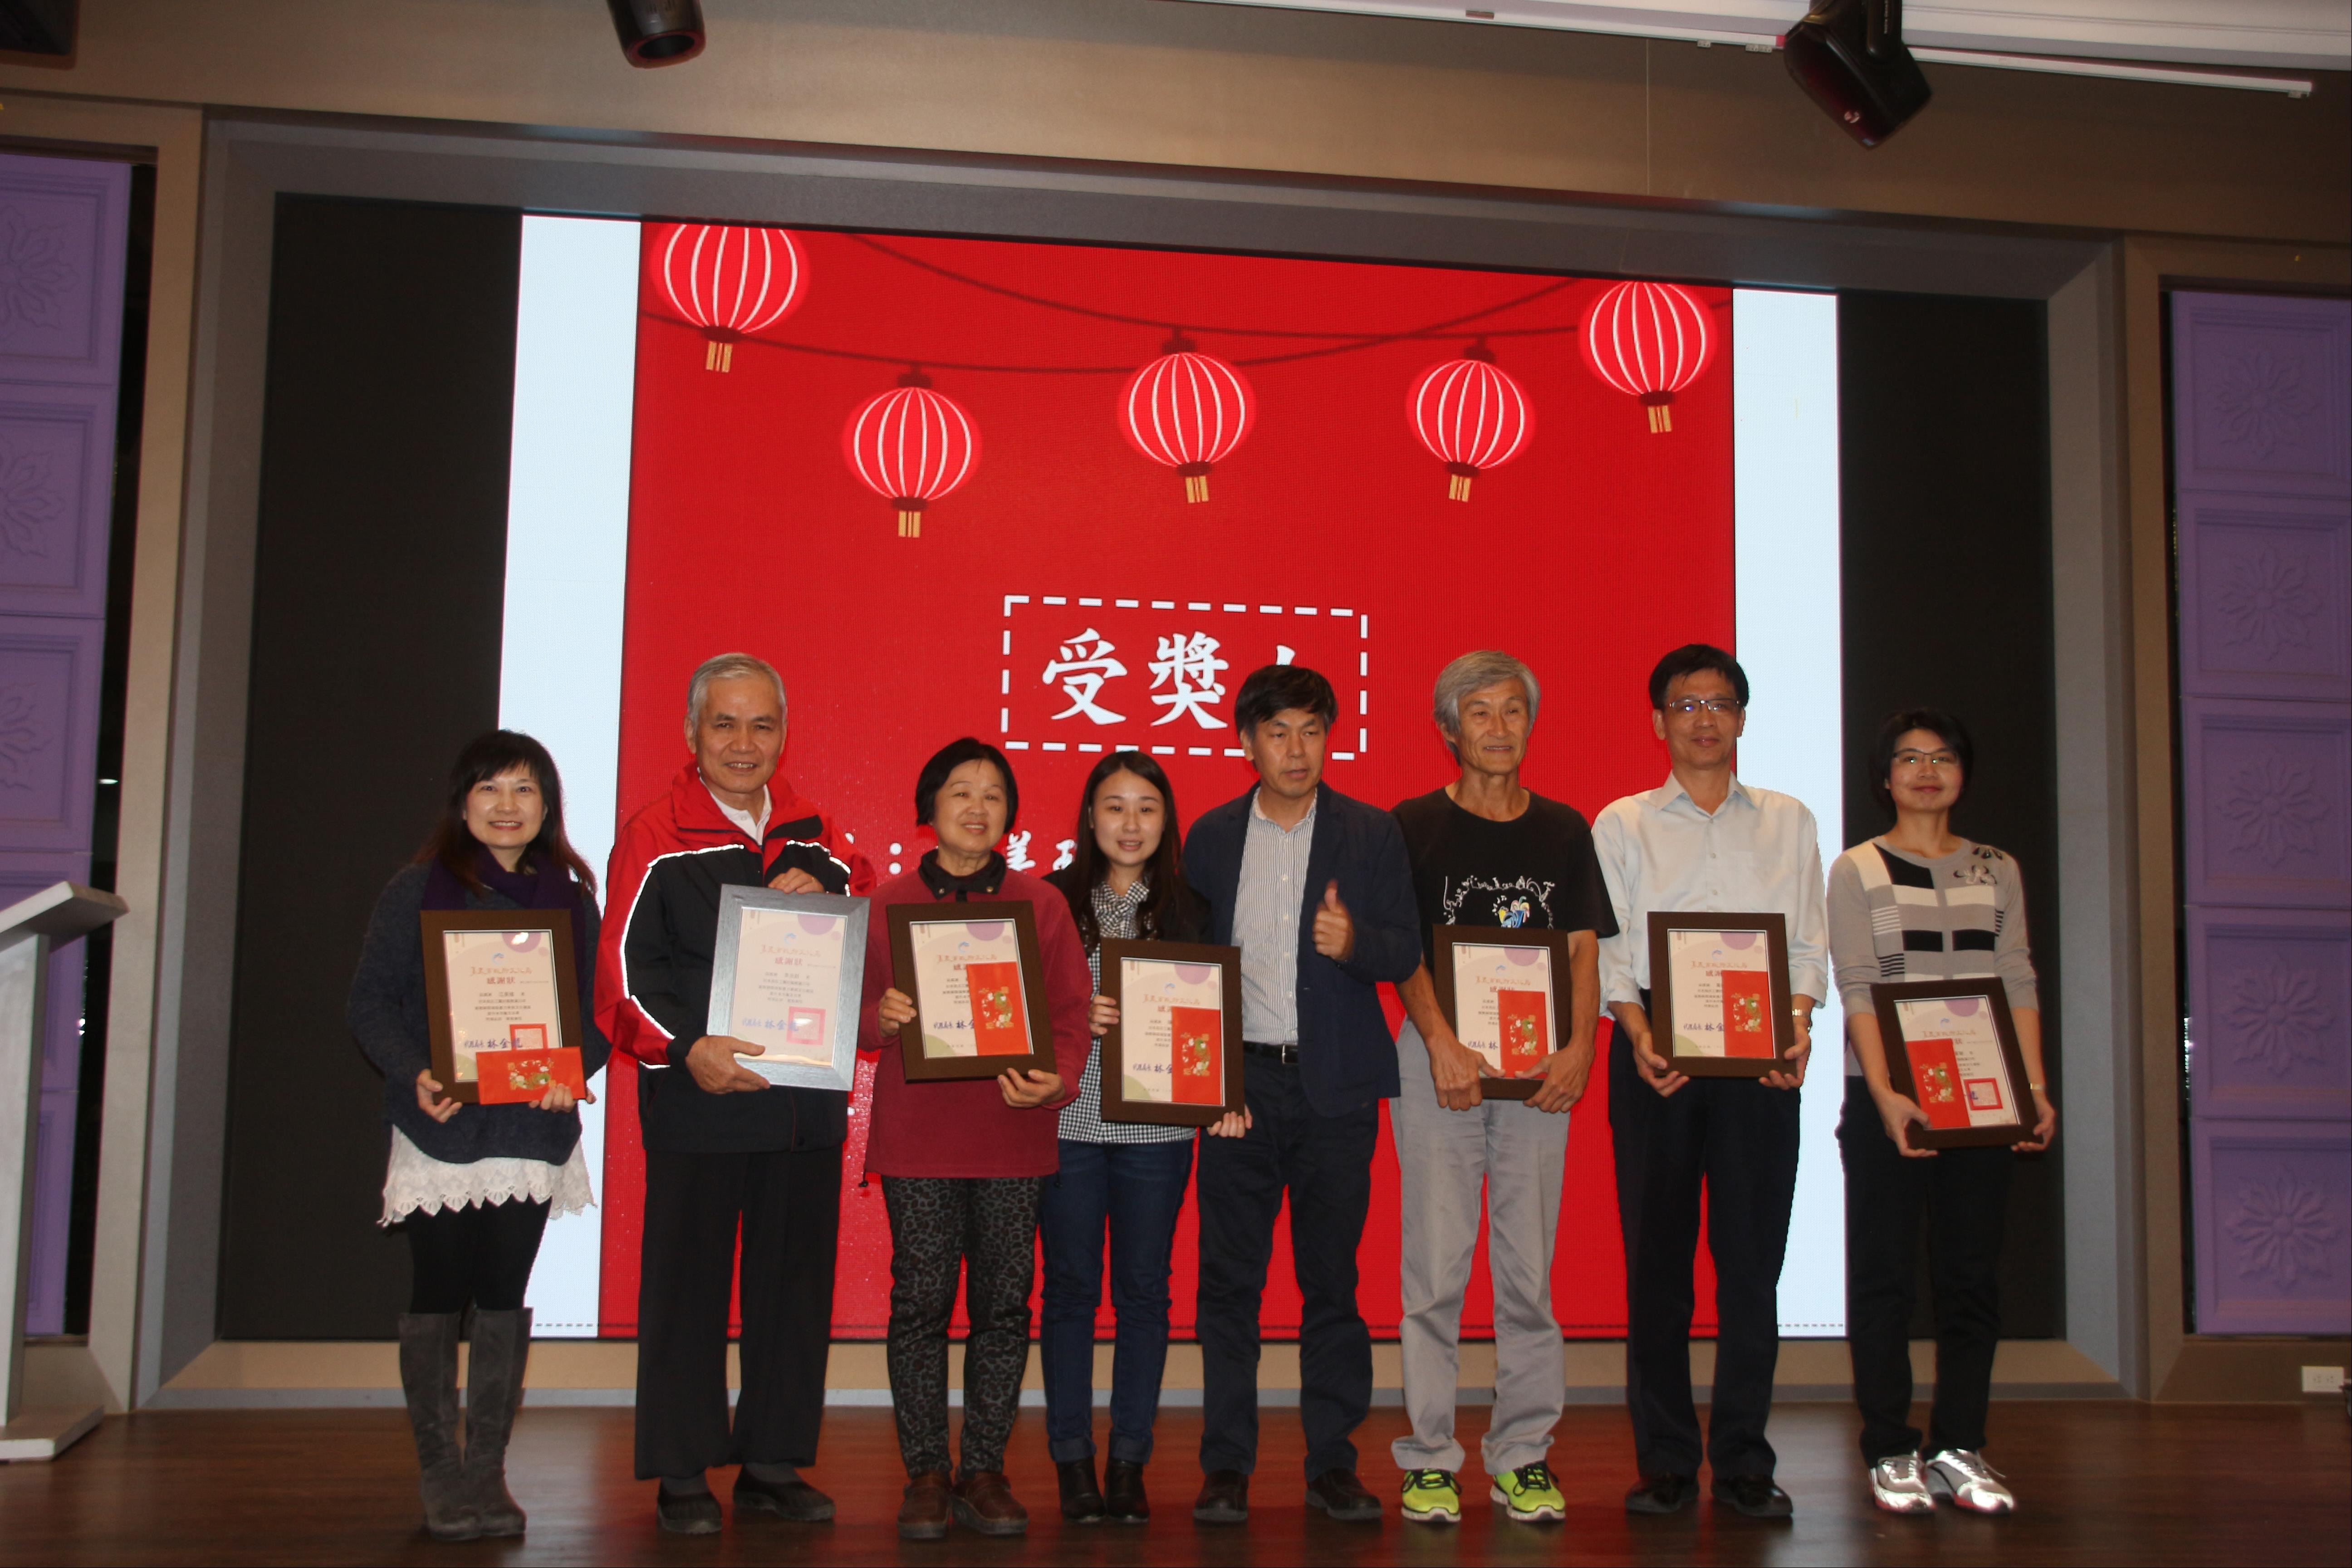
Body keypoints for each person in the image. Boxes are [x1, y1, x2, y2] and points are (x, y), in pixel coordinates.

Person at [597, 652, 873, 1536]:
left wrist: (833, 889)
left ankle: (771, 1464)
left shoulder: (820, 838)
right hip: (701, 1102)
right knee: (687, 1293)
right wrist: (688, 1050)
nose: (744, 743)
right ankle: (682, 1471)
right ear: (692, 733)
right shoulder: (654, 835)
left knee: (794, 1293)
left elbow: (868, 925)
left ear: (783, 733)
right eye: (725, 724)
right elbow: (620, 982)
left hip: (800, 1109)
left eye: (762, 724)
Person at [349, 729, 611, 1542]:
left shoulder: (571, 899)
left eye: (525, 789)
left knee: (503, 1292)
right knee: (440, 1289)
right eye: (490, 788)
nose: (507, 805)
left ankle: (487, 1472)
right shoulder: (416, 890)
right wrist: (414, 1073)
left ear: (548, 806)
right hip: (444, 1126)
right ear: (462, 803)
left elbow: (600, 1012)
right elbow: (370, 1003)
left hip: (530, 1128)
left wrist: (573, 1069)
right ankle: (441, 1471)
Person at [1593, 643, 1828, 1520]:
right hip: (1657, 1047)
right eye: (1686, 705)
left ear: (1742, 719)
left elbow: (1807, 941)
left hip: (1762, 1050)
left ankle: (1743, 1462)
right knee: (1657, 1263)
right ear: (1659, 721)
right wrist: (1639, 1034)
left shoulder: (1789, 819)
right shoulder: (1623, 822)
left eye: (1720, 704)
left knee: (1752, 1266)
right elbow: (1612, 948)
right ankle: (1664, 1460)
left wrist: (1798, 1025)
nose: (1704, 719)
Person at [1181, 664, 1420, 1527]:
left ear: (1330, 739)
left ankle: (1333, 1465)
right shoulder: (1210, 837)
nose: (1296, 749)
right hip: (1239, 1091)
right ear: (1247, 742)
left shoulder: (1372, 832)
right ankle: (1226, 1467)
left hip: (1336, 1092)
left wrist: (1355, 944)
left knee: (1332, 1286)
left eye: (1312, 731)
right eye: (1278, 732)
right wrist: (1209, 1081)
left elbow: (1405, 949)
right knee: (1229, 1287)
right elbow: (1188, 969)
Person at [1387, 652, 1616, 1527]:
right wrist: (1441, 1042)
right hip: (1438, 1062)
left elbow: (1583, 948)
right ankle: (1429, 1458)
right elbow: (1402, 947)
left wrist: (1579, 1049)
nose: (1497, 727)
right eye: (1478, 712)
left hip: (1539, 1071)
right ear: (1449, 729)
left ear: (1531, 723)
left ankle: (1523, 1454)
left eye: (1513, 710)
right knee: (1436, 1271)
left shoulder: (1564, 829)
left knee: (1528, 1275)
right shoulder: (1413, 825)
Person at [861, 738, 1092, 1541]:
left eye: (994, 795)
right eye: (961, 791)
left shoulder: (1042, 904)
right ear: (930, 807)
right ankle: (927, 1473)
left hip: (1012, 1135)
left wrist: (1058, 1080)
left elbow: (1071, 1017)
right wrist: (879, 1018)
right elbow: (851, 1015)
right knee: (919, 1306)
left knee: (1003, 1307)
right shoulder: (888, 905)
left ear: (1010, 816)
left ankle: (985, 1469)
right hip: (919, 1140)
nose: (977, 807)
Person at [1831, 710, 2055, 1516]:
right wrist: (1884, 1091)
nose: (1927, 771)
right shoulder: (1857, 868)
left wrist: (2032, 1088)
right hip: (1890, 1100)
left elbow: (2016, 975)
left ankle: (1959, 1446)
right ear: (1885, 776)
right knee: (1884, 1279)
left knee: (1970, 1279)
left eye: (1944, 757)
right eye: (1910, 758)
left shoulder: (1997, 868)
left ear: (1963, 772)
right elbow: (1858, 982)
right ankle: (1890, 1448)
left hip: (1983, 1098)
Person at [1039, 751, 1247, 1526]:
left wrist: (1224, 1092)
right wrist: (1072, 1013)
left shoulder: (1193, 909)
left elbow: (1215, 1015)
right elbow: (1017, 1009)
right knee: (1069, 1292)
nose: (1131, 824)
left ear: (1167, 821)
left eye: (1147, 808)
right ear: (1090, 818)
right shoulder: (1053, 900)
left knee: (1144, 1294)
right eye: (1115, 807)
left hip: (1156, 1133)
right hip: (1068, 1123)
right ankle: (1071, 1461)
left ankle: (1128, 1460)